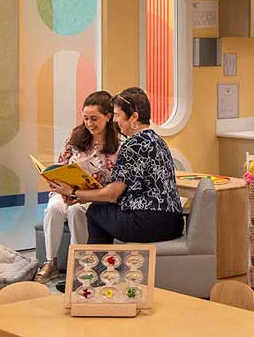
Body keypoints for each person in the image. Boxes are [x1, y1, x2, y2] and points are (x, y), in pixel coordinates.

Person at [68, 86, 185, 245]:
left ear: (134, 117)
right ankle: (105, 265)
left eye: (117, 115)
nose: (115, 121)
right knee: (103, 210)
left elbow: (112, 194)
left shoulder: (133, 145)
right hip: (174, 222)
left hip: (148, 222)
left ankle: (97, 267)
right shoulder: (158, 141)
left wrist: (74, 192)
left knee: (95, 211)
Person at [35, 90, 120, 282]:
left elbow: (112, 184)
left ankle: (80, 263)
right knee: (54, 208)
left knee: (76, 212)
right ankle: (50, 262)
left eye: (94, 119)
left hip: (92, 196)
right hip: (66, 190)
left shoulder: (117, 146)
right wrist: (58, 184)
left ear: (108, 117)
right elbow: (61, 164)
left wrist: (79, 194)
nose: (89, 123)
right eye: (85, 118)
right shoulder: (77, 136)